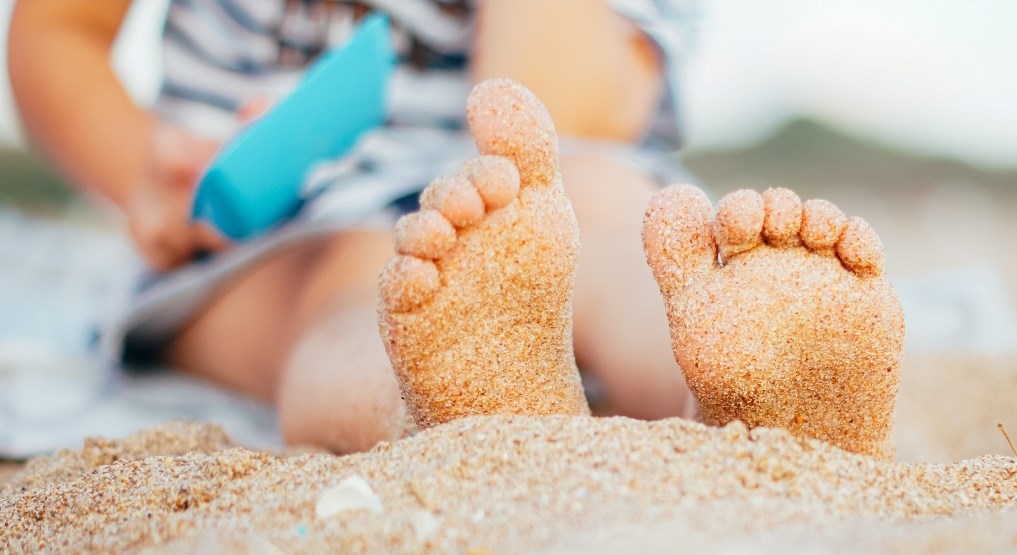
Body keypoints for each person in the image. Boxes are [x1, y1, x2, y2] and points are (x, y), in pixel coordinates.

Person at [9, 0, 699, 452]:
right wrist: (139, 174)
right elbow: (57, 27)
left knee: (606, 210)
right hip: (261, 232)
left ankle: (720, 361)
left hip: (541, 175)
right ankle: (441, 391)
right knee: (345, 288)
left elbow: (556, 113)